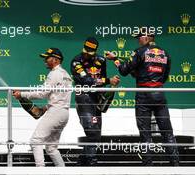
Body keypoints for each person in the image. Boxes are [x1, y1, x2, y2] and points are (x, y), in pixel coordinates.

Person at [106, 28, 179, 166]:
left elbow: (123, 70)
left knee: (145, 133)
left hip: (144, 96)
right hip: (159, 94)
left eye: (139, 37)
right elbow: (164, 77)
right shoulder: (165, 53)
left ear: (146, 37)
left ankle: (148, 165)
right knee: (167, 132)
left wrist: (115, 59)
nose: (137, 40)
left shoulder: (139, 52)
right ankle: (175, 164)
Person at [13, 48, 72, 167]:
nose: (45, 60)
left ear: (55, 60)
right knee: (51, 148)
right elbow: (60, 96)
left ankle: (41, 171)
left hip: (56, 112)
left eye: (47, 58)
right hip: (64, 113)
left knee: (35, 141)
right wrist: (46, 107)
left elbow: (42, 93)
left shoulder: (54, 74)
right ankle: (64, 173)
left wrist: (22, 94)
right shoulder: (66, 74)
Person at [70, 37, 120, 166]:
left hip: (96, 99)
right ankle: (92, 163)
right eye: (85, 51)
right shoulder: (76, 61)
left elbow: (101, 79)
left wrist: (107, 90)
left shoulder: (101, 60)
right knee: (92, 132)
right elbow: (85, 80)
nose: (86, 54)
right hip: (83, 98)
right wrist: (109, 80)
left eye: (89, 53)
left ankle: (81, 161)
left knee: (96, 135)